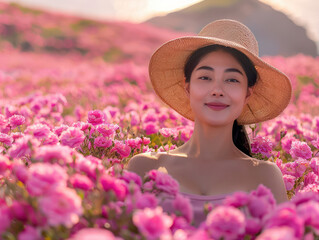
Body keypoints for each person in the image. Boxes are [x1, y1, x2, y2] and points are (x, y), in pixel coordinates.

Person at [125, 19, 292, 224]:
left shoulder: (265, 177)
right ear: (188, 88)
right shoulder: (143, 167)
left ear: (248, 93)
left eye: (232, 80)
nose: (217, 90)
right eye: (205, 77)